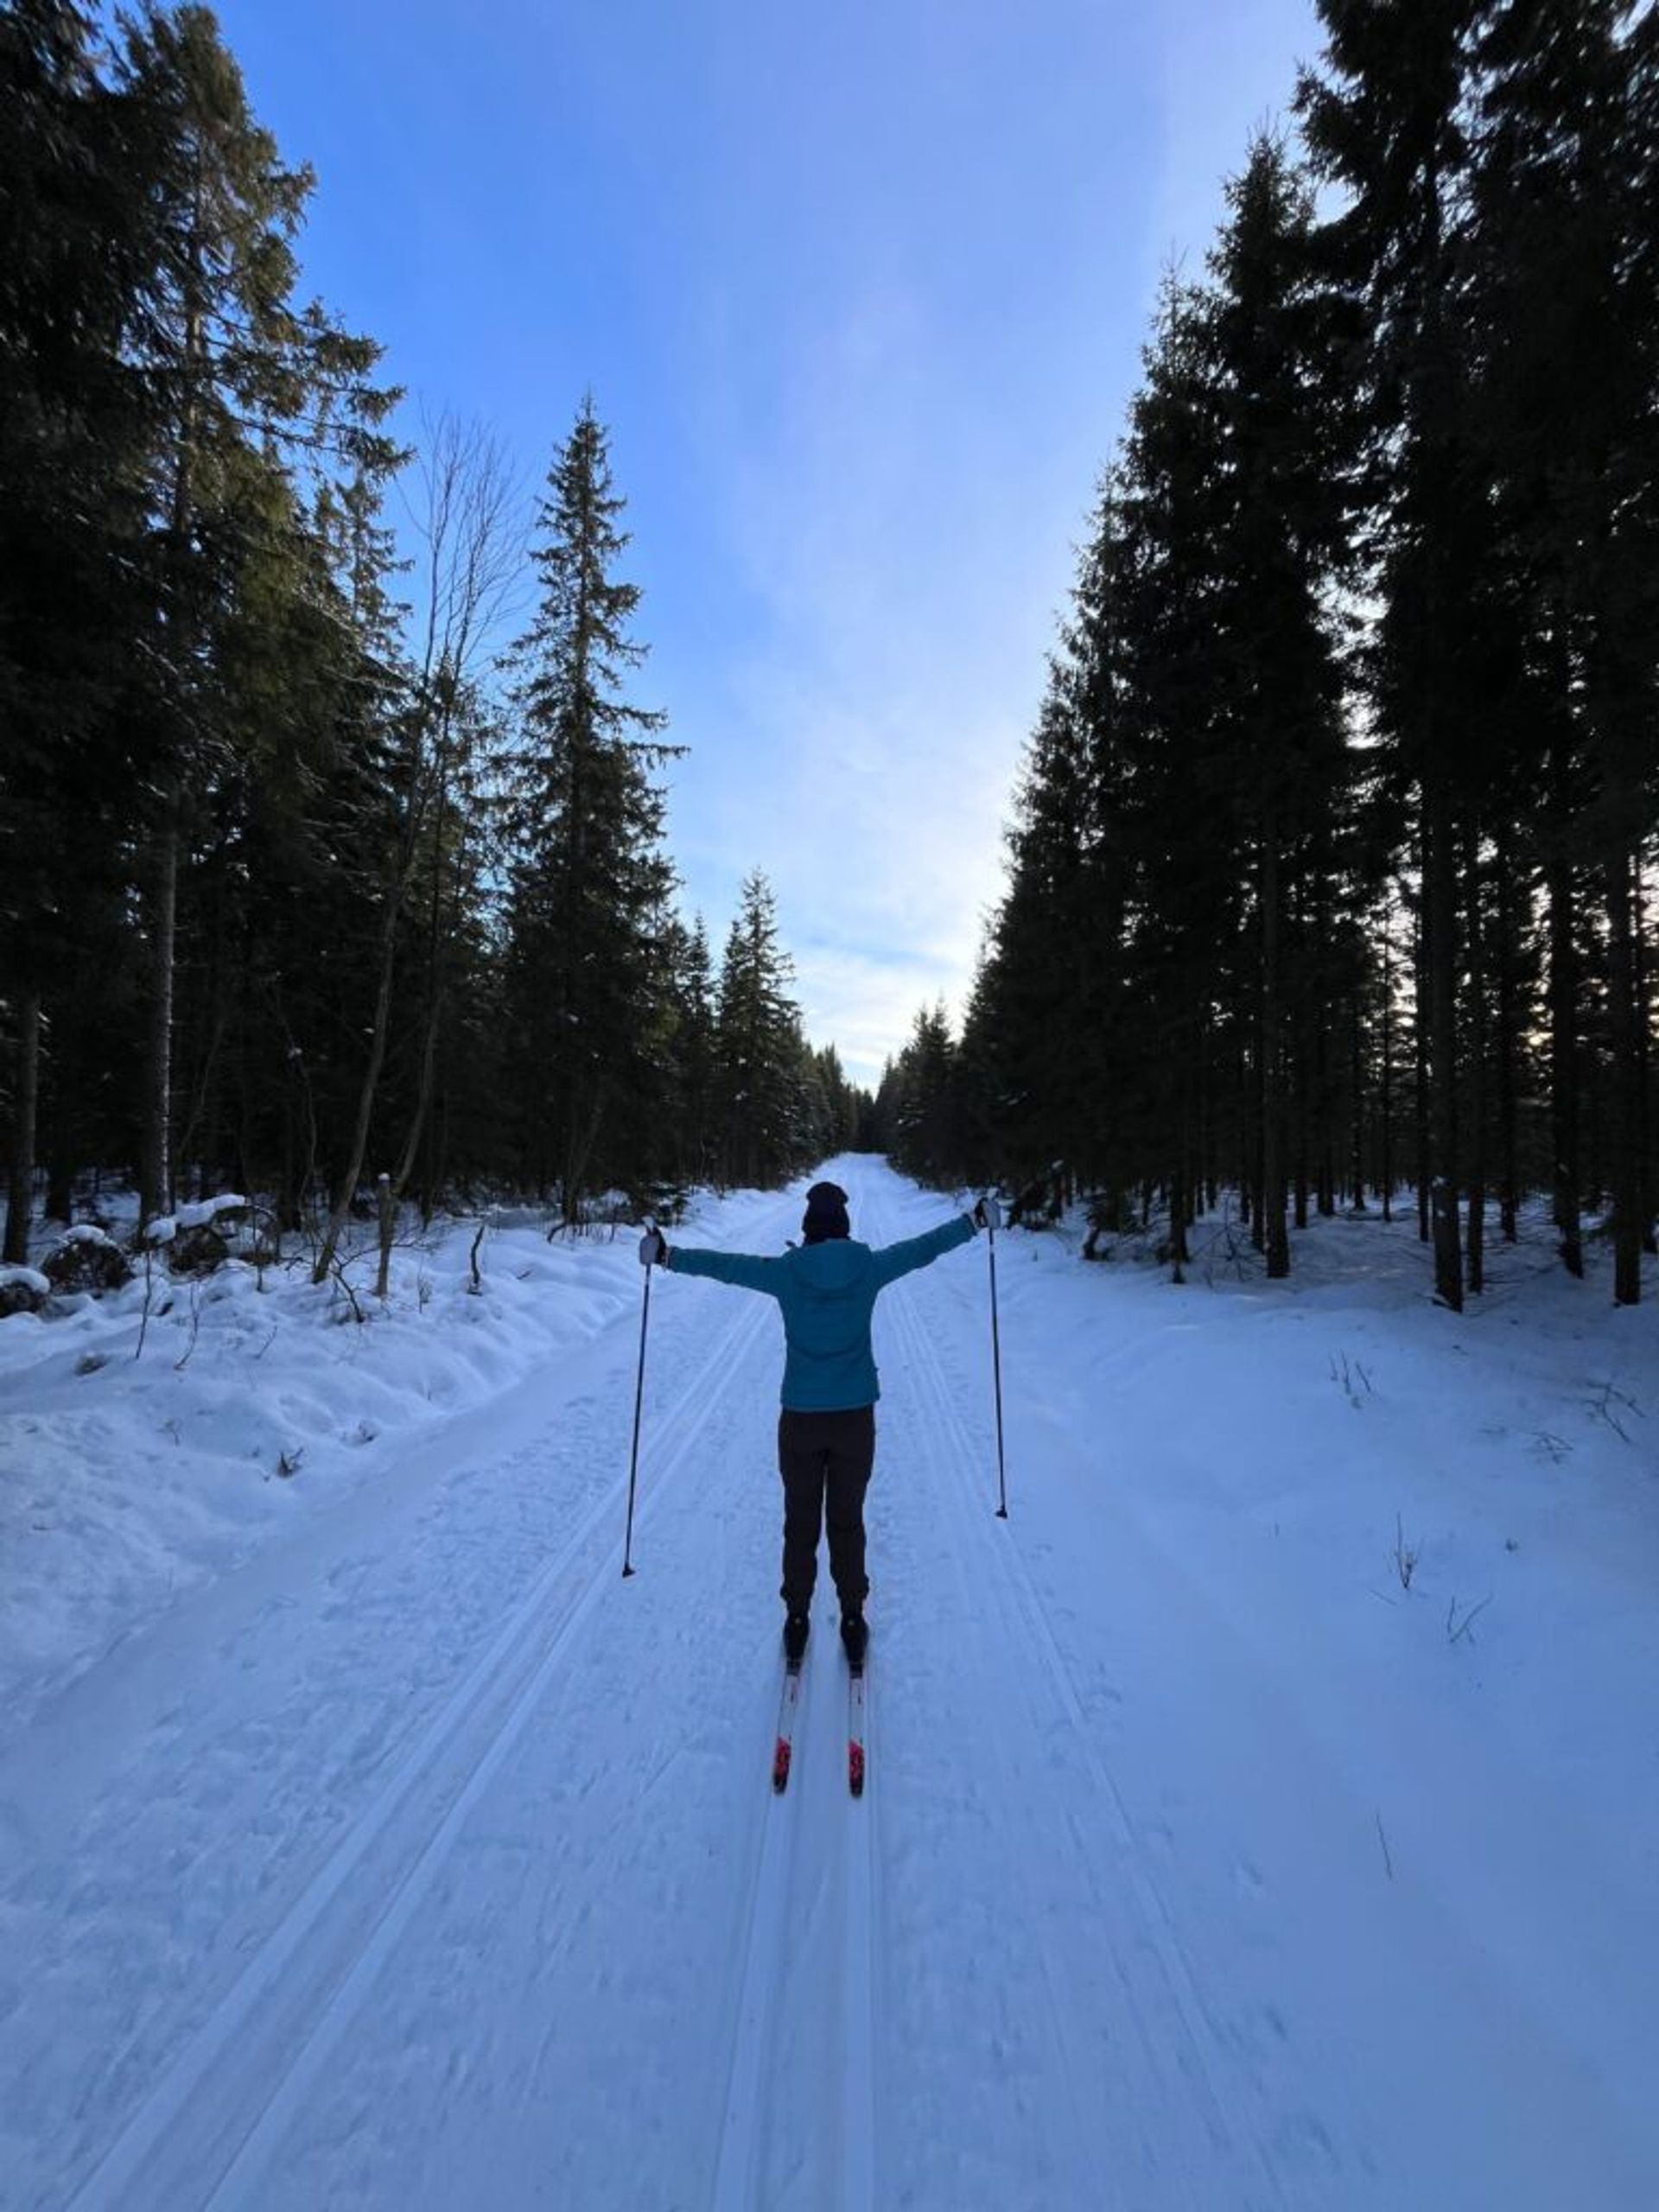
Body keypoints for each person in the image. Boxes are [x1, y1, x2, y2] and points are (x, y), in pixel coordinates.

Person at [638, 1179, 1000, 1669]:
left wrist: (667, 1255)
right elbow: (923, 1249)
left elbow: (726, 1267)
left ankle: (797, 1618)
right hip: (854, 1421)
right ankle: (853, 1617)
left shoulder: (788, 1273)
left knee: (800, 1522)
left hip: (801, 1422)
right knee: (847, 1521)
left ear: (807, 1229)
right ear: (845, 1227)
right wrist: (973, 1222)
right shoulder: (868, 1268)